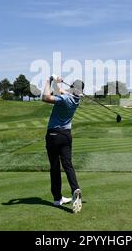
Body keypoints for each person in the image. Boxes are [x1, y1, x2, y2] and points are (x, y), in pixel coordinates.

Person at [42, 75, 83, 213]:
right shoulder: (77, 99)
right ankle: (75, 188)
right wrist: (57, 84)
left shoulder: (65, 99)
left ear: (72, 88)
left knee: (54, 166)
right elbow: (61, 91)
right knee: (67, 164)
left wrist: (49, 80)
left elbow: (46, 97)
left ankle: (57, 198)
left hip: (54, 135)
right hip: (66, 136)